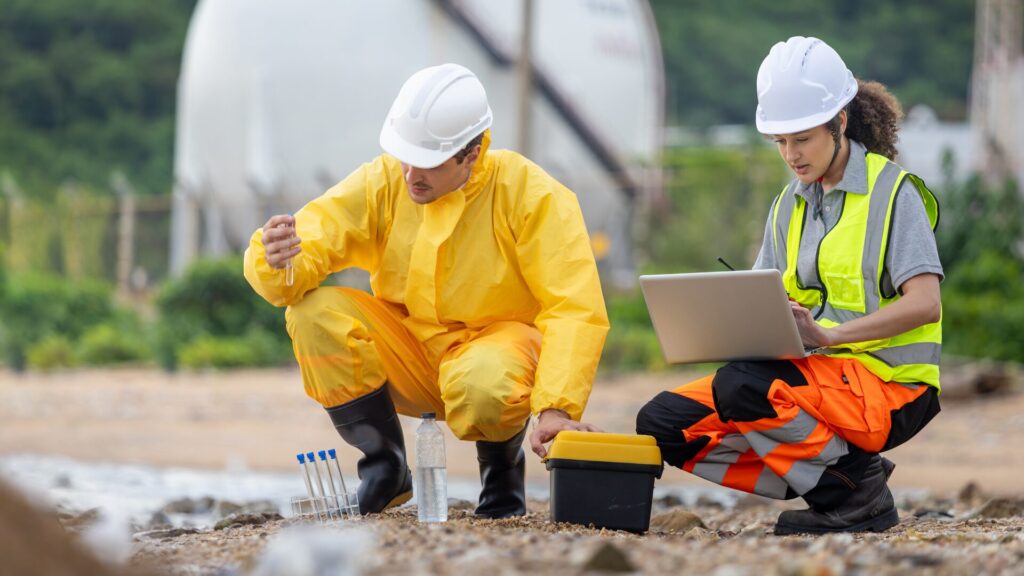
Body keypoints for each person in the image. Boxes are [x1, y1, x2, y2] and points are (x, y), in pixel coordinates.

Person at [244, 63, 608, 518]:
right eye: (405, 156)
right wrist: (277, 259)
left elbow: (574, 309)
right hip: (411, 352)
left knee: (484, 381)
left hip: (499, 359)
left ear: (472, 153)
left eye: (429, 162)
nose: (412, 173)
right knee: (311, 311)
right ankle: (385, 469)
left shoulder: (532, 194)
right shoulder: (384, 182)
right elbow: (317, 233)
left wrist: (555, 408)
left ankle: (501, 481)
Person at [636, 37, 943, 535]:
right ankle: (839, 478)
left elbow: (926, 304)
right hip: (813, 378)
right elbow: (766, 299)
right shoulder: (788, 205)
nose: (791, 155)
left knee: (743, 386)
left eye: (801, 139)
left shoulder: (894, 193)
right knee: (665, 423)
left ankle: (855, 494)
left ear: (840, 122)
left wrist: (830, 337)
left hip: (890, 386)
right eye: (779, 142)